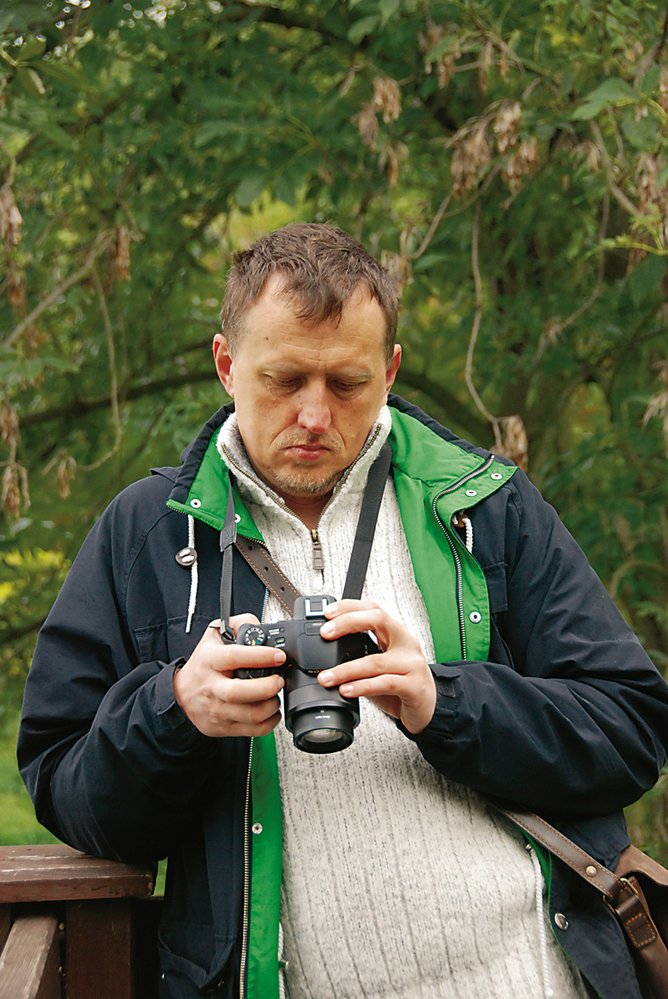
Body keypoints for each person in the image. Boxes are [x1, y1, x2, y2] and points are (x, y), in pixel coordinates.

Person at [18, 222, 668, 999]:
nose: (316, 416)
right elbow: (64, 781)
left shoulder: (485, 506)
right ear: (227, 365)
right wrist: (175, 710)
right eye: (286, 380)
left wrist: (443, 700)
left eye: (348, 383)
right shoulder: (150, 533)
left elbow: (631, 729)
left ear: (390, 371)